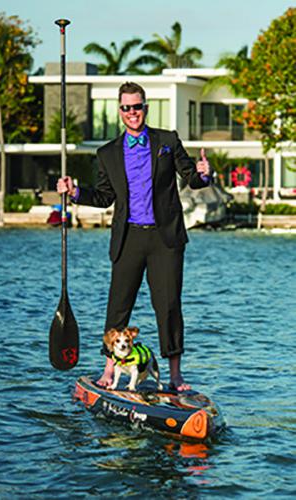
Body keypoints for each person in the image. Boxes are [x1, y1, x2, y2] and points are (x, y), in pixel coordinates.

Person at [57, 81, 211, 391]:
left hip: (165, 239)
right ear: (120, 111)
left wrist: (204, 173)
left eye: (137, 107)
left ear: (145, 108)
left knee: (168, 306)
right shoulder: (108, 153)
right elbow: (103, 197)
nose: (132, 113)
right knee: (118, 306)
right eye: (126, 107)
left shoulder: (166, 141)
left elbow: (192, 177)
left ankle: (175, 375)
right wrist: (74, 192)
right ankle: (109, 368)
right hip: (128, 238)